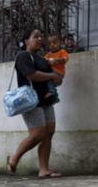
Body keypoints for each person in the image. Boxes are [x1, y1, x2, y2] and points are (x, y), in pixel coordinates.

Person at [7, 29, 63, 178]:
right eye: (35, 36)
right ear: (26, 41)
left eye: (40, 36)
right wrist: (51, 75)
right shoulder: (23, 56)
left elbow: (53, 76)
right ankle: (14, 158)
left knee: (48, 133)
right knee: (38, 134)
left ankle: (44, 169)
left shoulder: (43, 58)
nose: (39, 39)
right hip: (31, 101)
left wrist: (57, 78)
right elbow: (31, 75)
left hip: (47, 99)